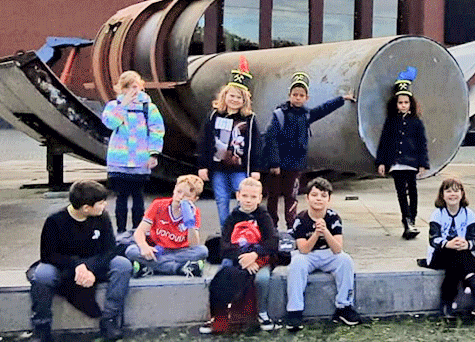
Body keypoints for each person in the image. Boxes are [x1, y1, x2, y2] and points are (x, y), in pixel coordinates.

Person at [27, 179, 132, 342]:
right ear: (85, 208)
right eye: (101, 203)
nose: (105, 206)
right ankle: (41, 326)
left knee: (122, 265)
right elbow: (48, 255)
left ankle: (109, 320)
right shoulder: (55, 221)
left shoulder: (101, 217)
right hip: (64, 265)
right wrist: (77, 266)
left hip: (95, 261)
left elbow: (110, 249)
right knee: (42, 275)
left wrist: (90, 269)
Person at [262, 71, 356, 233]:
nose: (298, 98)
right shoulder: (279, 115)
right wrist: (274, 162)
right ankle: (272, 226)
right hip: (277, 164)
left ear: (307, 98)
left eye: (301, 95)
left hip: (295, 164)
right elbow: (271, 139)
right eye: (295, 94)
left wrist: (341, 99)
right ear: (289, 95)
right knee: (273, 196)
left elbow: (322, 109)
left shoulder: (305, 115)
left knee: (291, 196)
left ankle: (291, 226)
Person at [202, 177, 279, 333]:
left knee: (262, 279)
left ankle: (262, 313)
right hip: (237, 258)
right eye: (245, 196)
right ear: (238, 196)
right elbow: (224, 246)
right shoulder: (232, 218)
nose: (248, 200)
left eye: (253, 197)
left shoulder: (264, 217)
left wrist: (255, 256)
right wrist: (243, 257)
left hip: (260, 260)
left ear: (260, 198)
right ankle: (219, 316)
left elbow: (272, 243)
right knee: (222, 275)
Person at [286, 177, 362, 330]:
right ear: (307, 198)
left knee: (345, 260)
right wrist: (315, 233)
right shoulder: (300, 219)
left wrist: (325, 231)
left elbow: (337, 248)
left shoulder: (334, 218)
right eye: (314, 195)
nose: (318, 199)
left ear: (329, 199)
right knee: (296, 264)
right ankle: (294, 311)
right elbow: (303, 249)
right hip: (308, 255)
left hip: (328, 253)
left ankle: (344, 306)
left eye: (323, 195)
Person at [197, 58, 261, 228]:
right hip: (218, 168)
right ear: (225, 96)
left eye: (238, 97)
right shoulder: (214, 116)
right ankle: (226, 232)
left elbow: (255, 145)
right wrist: (203, 165)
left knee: (245, 200)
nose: (234, 100)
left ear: (244, 101)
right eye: (231, 96)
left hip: (239, 168)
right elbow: (204, 141)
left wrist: (255, 169)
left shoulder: (250, 119)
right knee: (221, 200)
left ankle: (244, 230)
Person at [101, 70, 164, 235]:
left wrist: (154, 153)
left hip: (140, 160)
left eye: (136, 87)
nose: (134, 91)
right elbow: (111, 123)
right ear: (122, 89)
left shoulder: (148, 107)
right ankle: (121, 231)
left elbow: (157, 130)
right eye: (129, 88)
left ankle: (138, 230)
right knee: (121, 197)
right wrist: (123, 105)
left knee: (138, 197)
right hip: (119, 160)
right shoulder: (113, 106)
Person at [375, 67, 429, 239]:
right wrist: (381, 162)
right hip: (396, 162)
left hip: (412, 162)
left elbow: (422, 144)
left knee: (412, 191)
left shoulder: (416, 122)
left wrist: (423, 163)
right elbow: (384, 142)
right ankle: (406, 222)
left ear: (411, 104)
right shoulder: (391, 121)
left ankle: (412, 219)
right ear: (396, 104)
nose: (403, 105)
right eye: (400, 103)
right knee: (401, 193)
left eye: (406, 102)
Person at [424, 176, 475, 318]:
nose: (453, 194)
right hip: (440, 254)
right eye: (448, 191)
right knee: (456, 255)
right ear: (442, 195)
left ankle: (447, 302)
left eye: (456, 191)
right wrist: (448, 243)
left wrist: (467, 244)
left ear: (462, 194)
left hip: (461, 253)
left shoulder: (468, 214)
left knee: (456, 260)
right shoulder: (437, 214)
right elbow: (433, 239)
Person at [126, 174, 209, 277]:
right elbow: (139, 232)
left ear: (195, 199)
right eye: (179, 192)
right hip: (158, 249)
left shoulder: (194, 212)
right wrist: (144, 247)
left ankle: (152, 267)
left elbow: (194, 244)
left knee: (202, 251)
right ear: (174, 190)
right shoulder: (158, 205)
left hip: (180, 251)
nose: (181, 197)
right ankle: (179, 268)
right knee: (131, 251)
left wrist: (190, 223)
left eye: (187, 196)